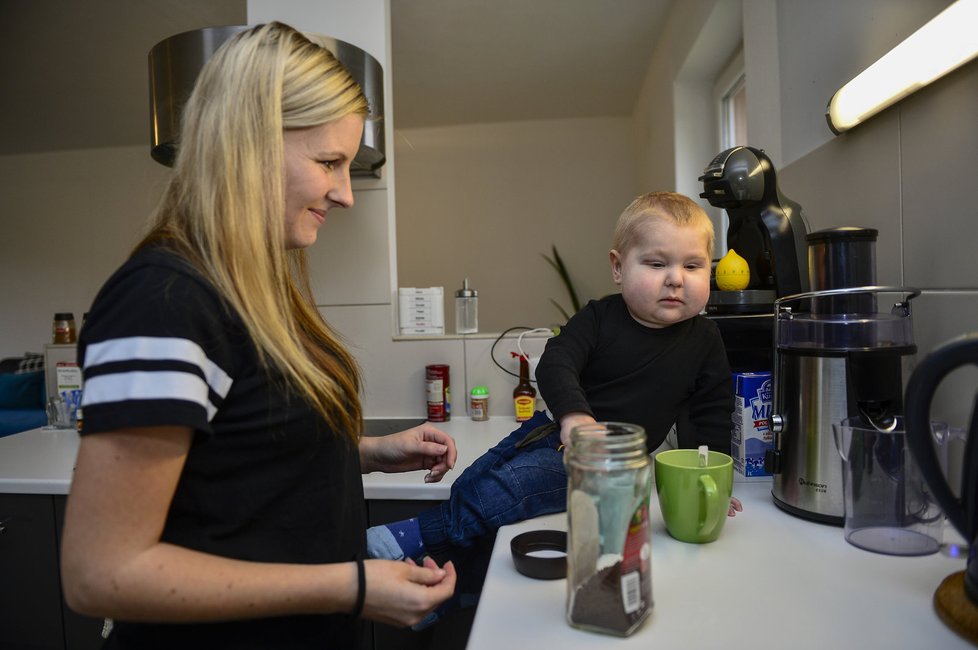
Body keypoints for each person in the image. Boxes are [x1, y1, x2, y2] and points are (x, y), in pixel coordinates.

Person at [59, 22, 457, 649]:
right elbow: (101, 574)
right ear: (243, 145)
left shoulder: (256, 291)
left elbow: (241, 461)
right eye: (329, 161)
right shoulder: (163, 301)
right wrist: (350, 587)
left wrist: (369, 452)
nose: (346, 194)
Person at [368, 192, 741, 613]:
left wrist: (713, 481)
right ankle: (440, 591)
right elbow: (555, 363)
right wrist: (576, 416)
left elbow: (711, 409)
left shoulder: (704, 340)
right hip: (547, 433)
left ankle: (404, 539)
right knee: (473, 482)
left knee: (504, 493)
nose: (676, 278)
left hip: (600, 469)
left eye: (692, 266)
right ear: (618, 267)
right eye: (657, 264)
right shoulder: (598, 318)